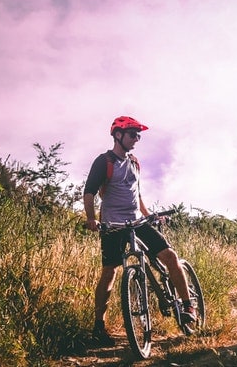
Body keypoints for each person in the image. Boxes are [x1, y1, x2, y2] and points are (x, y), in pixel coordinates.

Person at [83, 116, 196, 346]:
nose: (137, 138)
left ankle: (187, 306)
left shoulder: (134, 162)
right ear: (118, 135)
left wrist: (147, 216)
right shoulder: (103, 161)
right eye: (133, 134)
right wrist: (91, 219)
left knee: (170, 257)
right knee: (109, 272)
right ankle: (99, 327)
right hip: (113, 224)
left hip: (138, 221)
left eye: (138, 135)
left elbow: (137, 193)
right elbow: (89, 192)